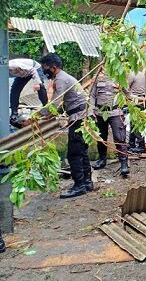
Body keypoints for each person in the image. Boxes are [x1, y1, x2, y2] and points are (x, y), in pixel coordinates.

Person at [27, 53, 92, 199]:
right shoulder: (64, 77)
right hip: (84, 115)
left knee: (74, 153)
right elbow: (64, 104)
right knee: (81, 151)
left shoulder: (61, 80)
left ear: (53, 67)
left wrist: (37, 116)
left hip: (78, 118)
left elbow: (55, 103)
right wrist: (50, 115)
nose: (44, 72)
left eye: (45, 69)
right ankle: (87, 183)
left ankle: (79, 186)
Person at [90, 71, 129, 176]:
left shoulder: (121, 76)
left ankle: (124, 164)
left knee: (120, 137)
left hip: (115, 112)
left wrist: (139, 99)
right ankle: (102, 159)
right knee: (101, 137)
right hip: (100, 112)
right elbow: (92, 95)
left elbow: (127, 93)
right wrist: (91, 110)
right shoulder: (98, 76)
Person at [9, 58, 48, 123]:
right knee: (14, 91)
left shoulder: (12, 65)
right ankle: (14, 114)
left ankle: (46, 108)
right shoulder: (3, 72)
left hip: (34, 68)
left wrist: (37, 82)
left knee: (40, 87)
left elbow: (32, 69)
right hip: (23, 74)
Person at [126, 70, 146, 154]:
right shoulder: (140, 73)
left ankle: (140, 145)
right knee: (134, 123)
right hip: (140, 100)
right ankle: (131, 144)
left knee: (136, 124)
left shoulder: (132, 74)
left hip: (136, 100)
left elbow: (125, 87)